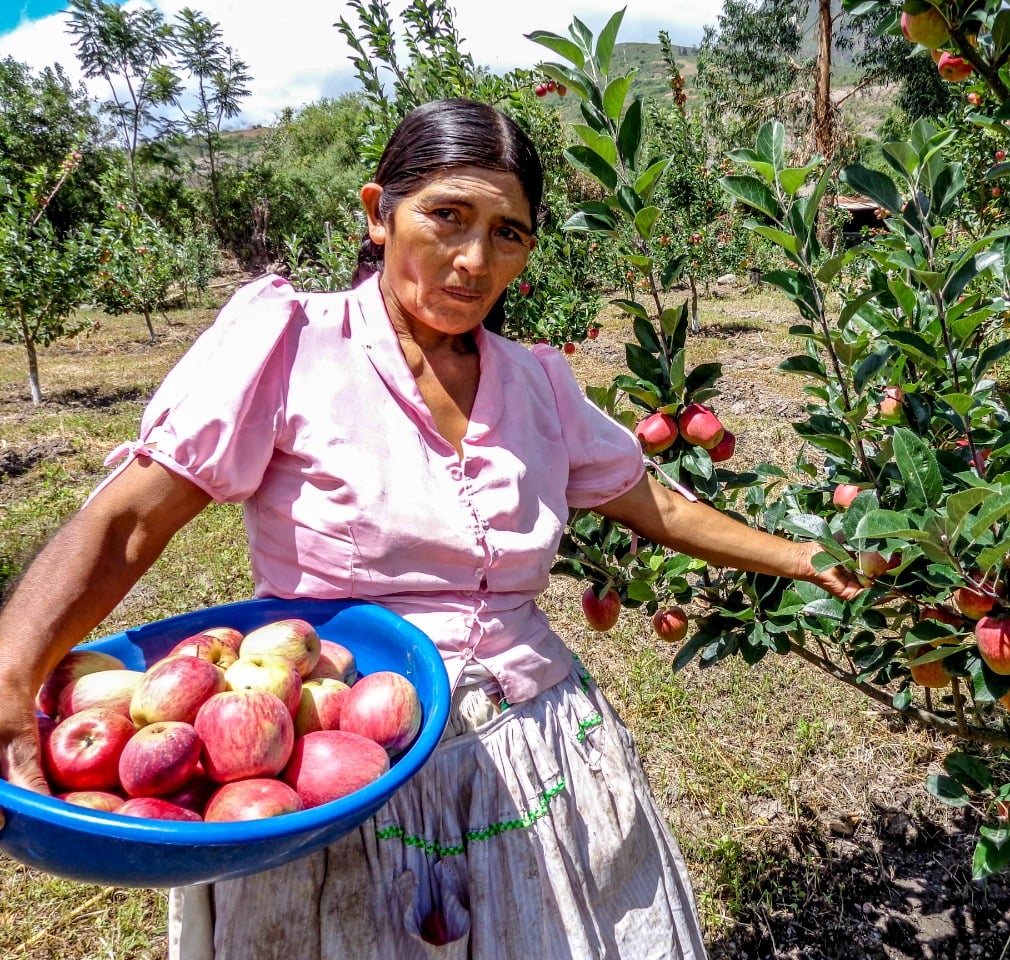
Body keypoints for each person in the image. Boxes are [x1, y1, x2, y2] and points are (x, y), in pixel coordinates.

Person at [0, 99, 860, 959]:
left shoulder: (538, 383)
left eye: (509, 233)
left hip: (535, 740)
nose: (474, 260)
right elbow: (127, 526)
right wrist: (11, 673)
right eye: (446, 216)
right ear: (379, 213)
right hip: (332, 758)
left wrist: (806, 558)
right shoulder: (293, 344)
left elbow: (654, 504)